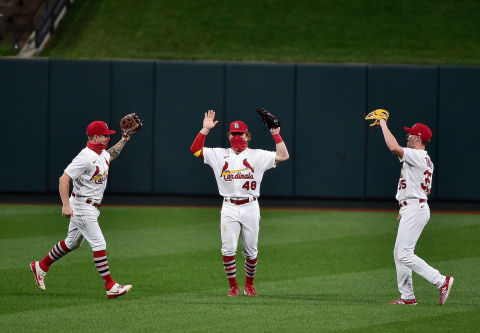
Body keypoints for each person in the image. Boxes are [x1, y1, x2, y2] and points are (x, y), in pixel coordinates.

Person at [190, 110, 289, 296]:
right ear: (228, 135)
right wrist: (205, 130)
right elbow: (195, 149)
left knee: (251, 251)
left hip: (250, 206)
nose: (237, 136)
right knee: (227, 249)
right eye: (233, 133)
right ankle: (233, 287)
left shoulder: (257, 155)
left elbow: (283, 156)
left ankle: (249, 285)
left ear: (247, 136)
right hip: (228, 206)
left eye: (240, 134)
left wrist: (276, 135)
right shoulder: (218, 154)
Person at [30, 120, 133, 298]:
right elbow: (64, 179)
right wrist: (65, 205)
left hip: (90, 206)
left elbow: (110, 156)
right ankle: (110, 285)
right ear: (94, 137)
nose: (108, 137)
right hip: (82, 207)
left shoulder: (100, 153)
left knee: (72, 243)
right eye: (105, 135)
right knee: (99, 243)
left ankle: (41, 265)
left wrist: (124, 140)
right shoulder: (84, 157)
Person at [377, 118, 454, 305]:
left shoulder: (417, 155)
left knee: (404, 253)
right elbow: (423, 189)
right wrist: (404, 206)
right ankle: (408, 297)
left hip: (415, 208)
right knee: (399, 253)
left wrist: (383, 124)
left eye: (411, 133)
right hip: (413, 206)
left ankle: (441, 281)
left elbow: (394, 148)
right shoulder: (425, 159)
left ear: (419, 137)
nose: (408, 135)